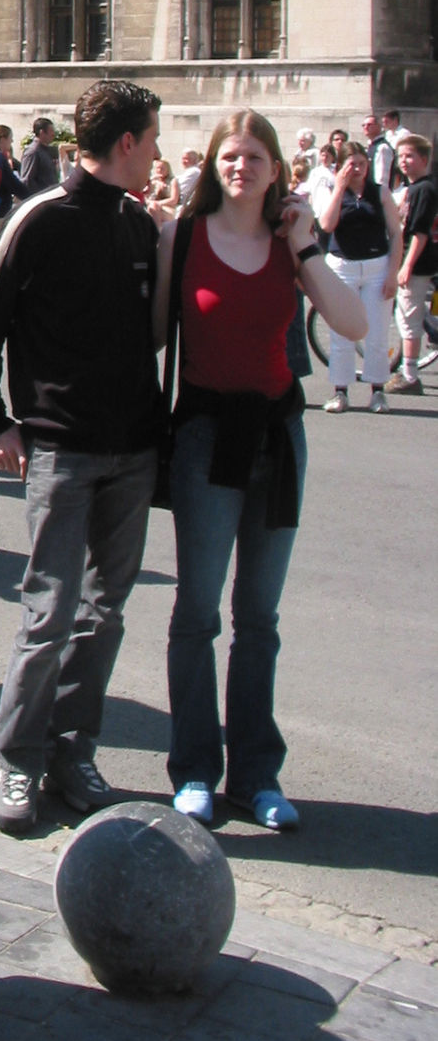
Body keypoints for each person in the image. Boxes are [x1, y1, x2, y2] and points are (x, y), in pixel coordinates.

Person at [0, 80, 164, 834]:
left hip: (131, 447)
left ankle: (73, 748)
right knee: (48, 609)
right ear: (128, 144)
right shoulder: (41, 218)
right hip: (61, 445)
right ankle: (18, 758)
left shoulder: (140, 225)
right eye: (153, 137)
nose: (157, 152)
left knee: (104, 612)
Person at [154, 112, 364, 833]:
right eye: (229, 156)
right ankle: (193, 771)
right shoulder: (181, 237)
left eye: (253, 156)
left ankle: (255, 774)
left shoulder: (289, 243)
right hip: (206, 434)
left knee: (260, 619)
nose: (240, 166)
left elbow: (355, 325)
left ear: (276, 168)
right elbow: (151, 332)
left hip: (277, 434)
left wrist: (305, 246)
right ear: (213, 166)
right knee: (197, 614)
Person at [317, 142, 402, 413]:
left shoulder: (380, 193)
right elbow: (326, 225)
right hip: (343, 266)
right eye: (350, 164)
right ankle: (340, 391)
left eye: (362, 164)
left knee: (376, 333)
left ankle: (377, 390)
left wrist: (393, 273)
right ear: (340, 167)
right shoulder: (332, 191)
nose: (357, 170)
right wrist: (340, 188)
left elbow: (396, 233)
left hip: (376, 266)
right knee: (342, 332)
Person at [391, 131, 438, 397]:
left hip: (418, 264)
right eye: (401, 156)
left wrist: (407, 266)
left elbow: (420, 232)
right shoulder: (417, 188)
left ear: (423, 159)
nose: (404, 161)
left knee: (409, 317)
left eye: (410, 156)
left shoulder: (424, 189)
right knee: (420, 315)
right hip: (420, 261)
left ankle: (409, 375)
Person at [16, 117, 59, 194]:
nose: (53, 134)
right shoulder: (32, 152)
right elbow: (27, 180)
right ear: (42, 132)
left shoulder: (46, 150)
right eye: (51, 131)